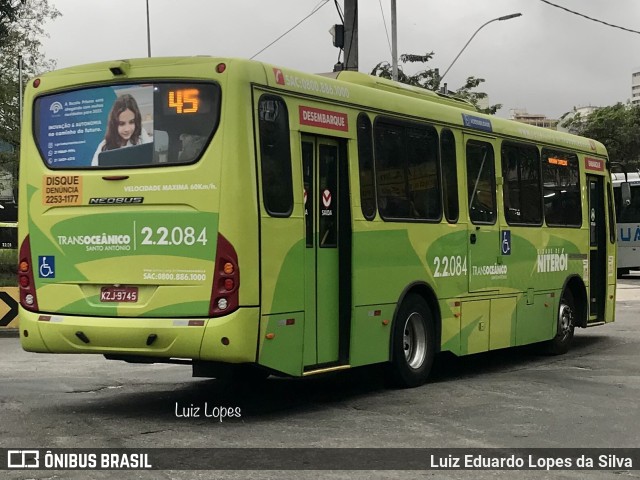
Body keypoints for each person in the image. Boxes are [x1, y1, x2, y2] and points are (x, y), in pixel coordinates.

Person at [91, 94, 152, 166]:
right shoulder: (104, 147)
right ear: (114, 124)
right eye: (122, 124)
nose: (127, 129)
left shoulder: (141, 134)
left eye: (131, 122)